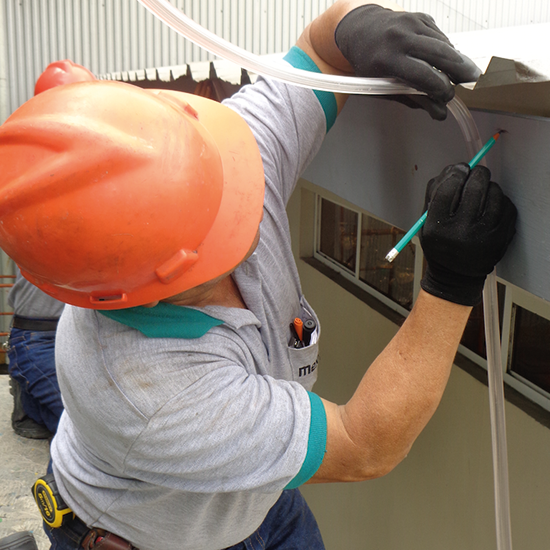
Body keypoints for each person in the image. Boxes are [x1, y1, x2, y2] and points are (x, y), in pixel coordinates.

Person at [0, 2, 517, 550]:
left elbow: (317, 50)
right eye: (221, 215)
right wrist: (452, 284)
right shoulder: (147, 389)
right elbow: (363, 445)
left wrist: (357, 27)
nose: (250, 187)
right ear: (170, 271)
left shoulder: (212, 157)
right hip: (153, 535)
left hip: (255, 499)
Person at [6, 60, 96, 440]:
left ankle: (29, 401)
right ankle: (30, 391)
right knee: (90, 442)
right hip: (40, 335)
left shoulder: (97, 165)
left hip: (82, 335)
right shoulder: (25, 169)